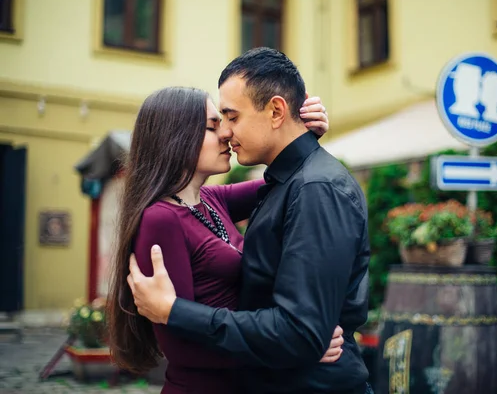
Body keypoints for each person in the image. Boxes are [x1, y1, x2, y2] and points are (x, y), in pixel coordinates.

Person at [128, 47, 372, 394]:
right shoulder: (165, 216)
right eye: (216, 124)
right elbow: (179, 347)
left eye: (230, 118)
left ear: (275, 110)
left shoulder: (214, 200)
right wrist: (295, 348)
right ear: (176, 138)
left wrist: (302, 136)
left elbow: (291, 181)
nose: (226, 132)